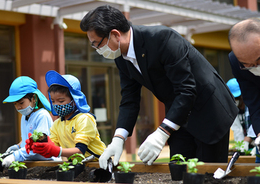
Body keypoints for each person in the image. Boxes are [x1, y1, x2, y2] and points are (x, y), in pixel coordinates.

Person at [80, 5, 238, 168]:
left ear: (115, 34)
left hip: (209, 110)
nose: (98, 50)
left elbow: (186, 89)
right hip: (179, 115)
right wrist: (118, 138)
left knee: (207, 175)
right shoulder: (121, 58)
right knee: (179, 170)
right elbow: (129, 99)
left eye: (97, 44)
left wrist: (162, 132)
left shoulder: (162, 39)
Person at [25, 70, 106, 160]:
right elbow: (51, 149)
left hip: (98, 163)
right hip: (77, 164)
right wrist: (38, 145)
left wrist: (57, 151)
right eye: (53, 101)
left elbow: (80, 151)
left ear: (75, 100)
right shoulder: (57, 124)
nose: (56, 105)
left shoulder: (84, 119)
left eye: (61, 101)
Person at [2, 76, 57, 168]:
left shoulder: (42, 116)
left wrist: (15, 156)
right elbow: (27, 139)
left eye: (21, 103)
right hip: (32, 164)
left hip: (47, 164)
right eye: (15, 104)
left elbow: (38, 145)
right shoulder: (24, 117)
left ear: (34, 98)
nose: (18, 107)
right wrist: (17, 146)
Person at [228, 17, 260, 162]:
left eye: (259, 59)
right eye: (247, 64)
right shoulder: (235, 61)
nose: (255, 66)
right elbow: (253, 102)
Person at [226, 78, 256, 152]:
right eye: (234, 98)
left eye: (237, 97)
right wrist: (241, 145)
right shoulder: (233, 110)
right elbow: (237, 129)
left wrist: (248, 140)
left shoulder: (252, 106)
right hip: (247, 145)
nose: (236, 100)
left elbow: (255, 124)